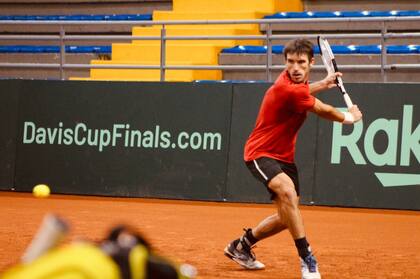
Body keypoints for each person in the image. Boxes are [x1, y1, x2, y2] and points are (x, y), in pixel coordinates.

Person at [223, 38, 362, 279]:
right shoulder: (287, 88)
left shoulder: (295, 84)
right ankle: (307, 257)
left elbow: (305, 90)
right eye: (290, 62)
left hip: (284, 156)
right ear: (285, 62)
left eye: (300, 62)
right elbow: (323, 110)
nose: (295, 68)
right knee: (287, 193)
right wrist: (350, 118)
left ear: (311, 62)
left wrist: (324, 82)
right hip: (260, 152)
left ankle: (242, 245)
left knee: (287, 215)